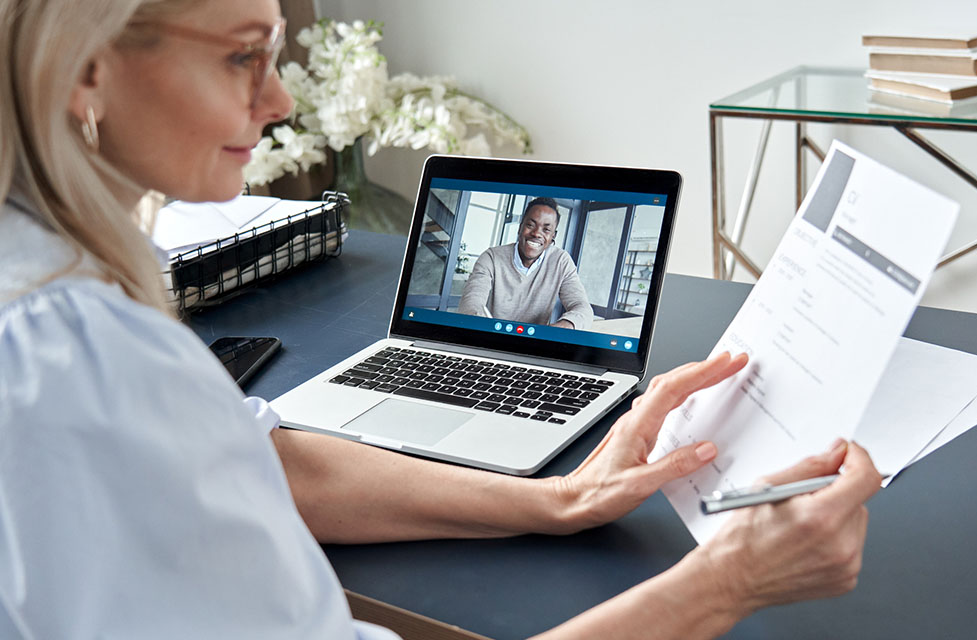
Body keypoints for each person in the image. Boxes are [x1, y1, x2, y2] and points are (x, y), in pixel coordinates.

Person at [0, 0, 883, 638]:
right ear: (88, 66)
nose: (278, 103)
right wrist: (728, 584)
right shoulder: (75, 356)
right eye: (243, 57)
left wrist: (558, 499)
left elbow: (269, 457)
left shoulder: (53, 286)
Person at [457, 197, 594, 329]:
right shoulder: (491, 257)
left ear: (553, 236)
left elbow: (583, 308)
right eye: (530, 225)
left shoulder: (561, 262)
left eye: (546, 229)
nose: (536, 234)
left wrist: (563, 326)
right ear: (520, 227)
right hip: (491, 338)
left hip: (534, 345)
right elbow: (471, 303)